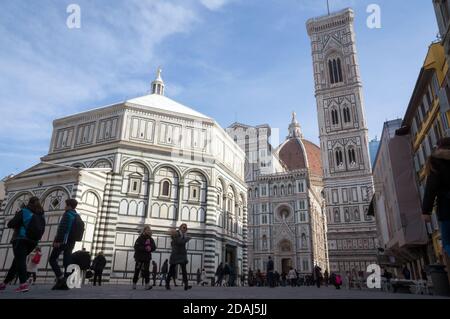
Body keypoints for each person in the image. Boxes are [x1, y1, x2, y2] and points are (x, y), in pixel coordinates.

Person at [0, 197, 45, 293]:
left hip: (21, 239)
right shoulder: (41, 214)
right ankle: (4, 283)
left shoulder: (24, 211)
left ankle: (23, 284)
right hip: (33, 242)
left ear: (29, 203)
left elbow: (11, 224)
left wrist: (16, 216)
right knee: (17, 262)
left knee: (20, 261)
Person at [422, 137, 450, 279]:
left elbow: (431, 187)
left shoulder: (436, 162)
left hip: (447, 207)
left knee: (448, 244)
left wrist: (426, 211)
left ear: (438, 148)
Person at [49, 199, 84, 290]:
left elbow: (62, 229)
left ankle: (60, 278)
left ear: (69, 206)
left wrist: (57, 241)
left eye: (66, 205)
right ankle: (67, 281)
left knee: (52, 259)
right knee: (67, 261)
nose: (64, 207)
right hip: (72, 241)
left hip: (63, 241)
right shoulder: (77, 215)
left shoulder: (67, 214)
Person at [165, 223, 192, 291]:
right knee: (171, 270)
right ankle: (167, 283)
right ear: (180, 228)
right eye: (183, 227)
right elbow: (179, 242)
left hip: (182, 255)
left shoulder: (184, 235)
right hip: (175, 254)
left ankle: (186, 285)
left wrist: (186, 238)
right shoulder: (176, 234)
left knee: (184, 270)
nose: (185, 229)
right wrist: (187, 239)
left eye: (186, 228)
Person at [132, 225, 156, 290]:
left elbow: (154, 247)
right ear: (144, 230)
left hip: (147, 258)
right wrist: (145, 248)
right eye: (147, 230)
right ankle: (134, 284)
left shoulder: (151, 239)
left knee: (146, 271)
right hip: (139, 257)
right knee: (137, 270)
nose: (148, 231)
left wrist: (150, 248)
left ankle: (147, 285)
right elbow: (136, 247)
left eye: (149, 230)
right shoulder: (140, 238)